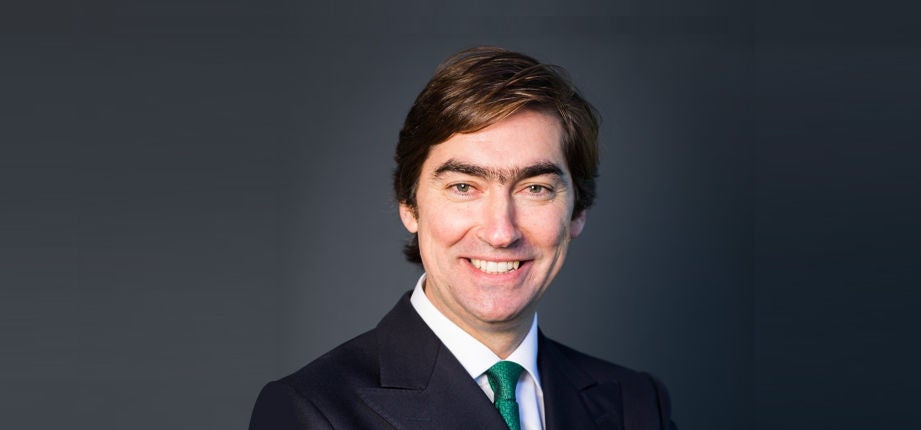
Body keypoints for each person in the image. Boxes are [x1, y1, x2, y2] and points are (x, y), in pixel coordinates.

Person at [249, 46, 677, 430]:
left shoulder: (636, 405)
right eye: (463, 187)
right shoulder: (312, 411)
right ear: (408, 205)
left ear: (577, 211)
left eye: (535, 188)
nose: (500, 232)